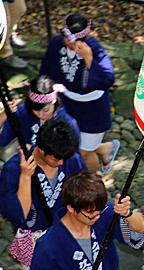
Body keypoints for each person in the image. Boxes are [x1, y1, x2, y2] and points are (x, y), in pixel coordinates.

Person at [28, 170, 144, 270]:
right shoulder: (50, 242)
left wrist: (128, 213)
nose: (97, 215)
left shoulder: (104, 213)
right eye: (91, 213)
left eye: (100, 209)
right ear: (71, 208)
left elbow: (139, 230)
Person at [0, 118, 86, 270]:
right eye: (56, 158)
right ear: (42, 149)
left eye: (65, 158)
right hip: (34, 235)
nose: (61, 163)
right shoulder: (13, 169)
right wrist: (26, 177)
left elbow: (83, 185)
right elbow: (20, 214)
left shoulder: (68, 159)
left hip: (68, 228)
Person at [40, 13, 120, 173]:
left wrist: (88, 58)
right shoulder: (56, 43)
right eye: (67, 38)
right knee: (72, 143)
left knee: (85, 152)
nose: (70, 43)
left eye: (75, 39)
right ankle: (106, 149)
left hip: (94, 109)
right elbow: (46, 70)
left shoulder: (94, 49)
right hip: (67, 103)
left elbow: (108, 79)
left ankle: (90, 184)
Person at [0, 75, 80, 149]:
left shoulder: (68, 123)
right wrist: (4, 115)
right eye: (36, 110)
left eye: (46, 110)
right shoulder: (23, 113)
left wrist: (36, 151)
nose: (41, 115)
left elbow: (70, 155)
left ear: (54, 104)